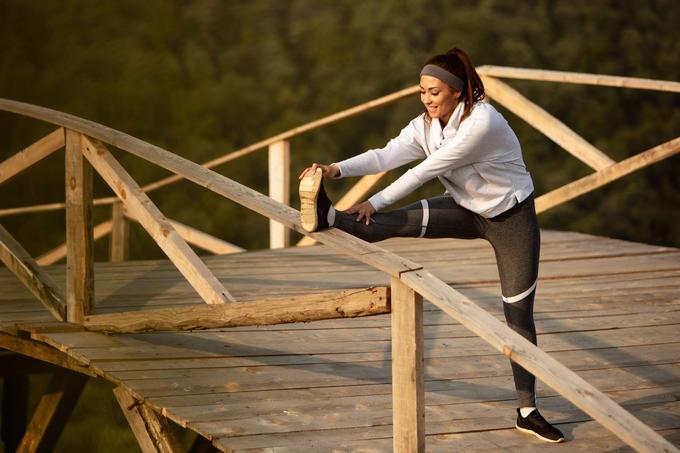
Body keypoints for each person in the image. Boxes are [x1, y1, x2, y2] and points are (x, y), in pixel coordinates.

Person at [298, 47, 565, 443]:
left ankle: (527, 410)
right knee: (385, 224)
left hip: (512, 219)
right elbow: (386, 155)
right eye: (422, 91)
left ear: (458, 91)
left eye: (434, 91)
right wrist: (333, 169)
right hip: (464, 209)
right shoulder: (427, 124)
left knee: (518, 316)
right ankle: (328, 216)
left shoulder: (482, 123)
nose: (427, 99)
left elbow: (425, 171)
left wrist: (375, 198)